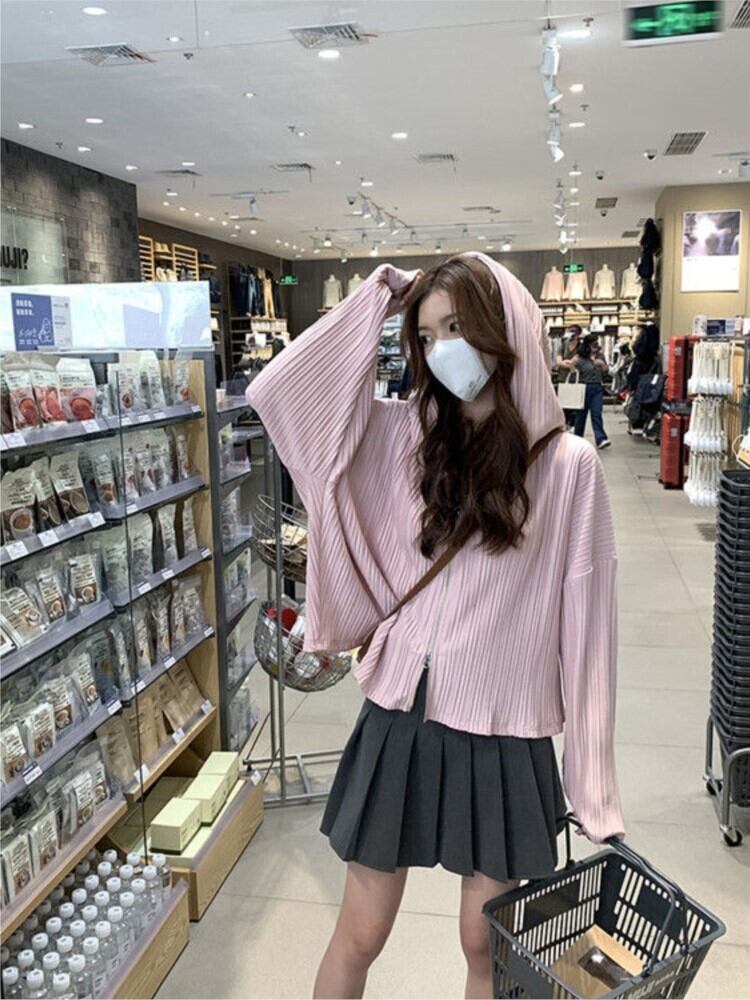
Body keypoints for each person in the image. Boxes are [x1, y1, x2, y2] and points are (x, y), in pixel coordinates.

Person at [247, 254, 623, 1000]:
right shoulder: (410, 437)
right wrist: (379, 301)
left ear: (504, 327)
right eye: (427, 336)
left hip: (504, 726)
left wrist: (593, 791)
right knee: (359, 933)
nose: (443, 348)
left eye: (458, 327)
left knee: (486, 947)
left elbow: (590, 639)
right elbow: (282, 393)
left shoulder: (569, 468)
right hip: (401, 712)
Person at [572, 335, 610, 449]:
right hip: (583, 387)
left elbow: (606, 371)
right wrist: (573, 366)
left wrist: (602, 365)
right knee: (581, 415)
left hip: (597, 387)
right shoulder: (580, 357)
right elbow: (572, 369)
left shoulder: (600, 356)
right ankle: (577, 438)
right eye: (593, 344)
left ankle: (601, 438)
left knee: (596, 413)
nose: (596, 346)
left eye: (596, 344)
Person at [556, 324, 582, 429]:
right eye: (570, 330)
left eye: (574, 331)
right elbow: (558, 361)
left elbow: (578, 361)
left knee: (574, 403)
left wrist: (566, 362)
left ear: (578, 333)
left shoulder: (581, 346)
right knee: (563, 403)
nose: (571, 333)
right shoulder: (563, 344)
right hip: (563, 377)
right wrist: (569, 364)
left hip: (576, 378)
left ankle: (573, 425)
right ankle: (565, 424)